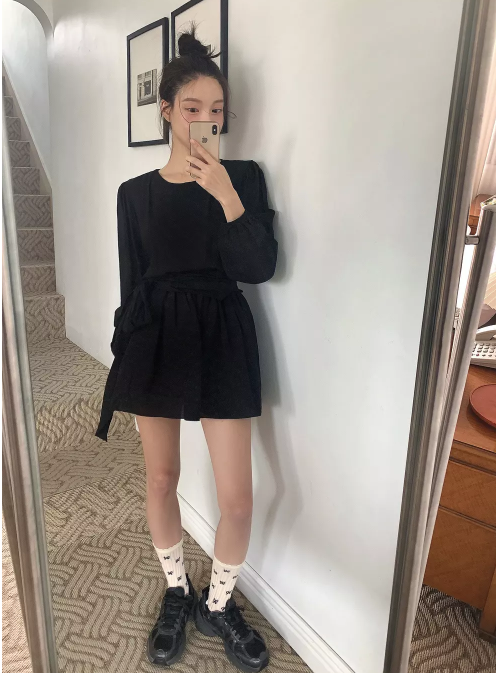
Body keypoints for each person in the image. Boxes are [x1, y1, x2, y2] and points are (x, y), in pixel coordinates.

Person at [94, 23, 278, 673]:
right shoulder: (134, 194)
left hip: (224, 333)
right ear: (167, 109)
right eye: (193, 107)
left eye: (217, 110)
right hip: (157, 336)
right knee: (161, 478)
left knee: (238, 500)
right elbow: (131, 285)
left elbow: (258, 267)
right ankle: (178, 591)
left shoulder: (244, 178)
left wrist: (225, 195)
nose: (206, 120)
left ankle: (217, 604)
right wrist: (125, 355)